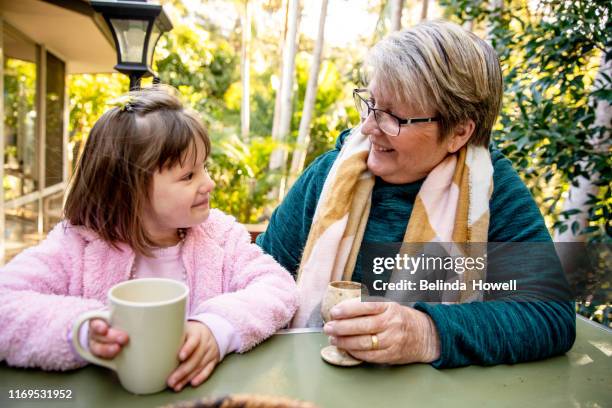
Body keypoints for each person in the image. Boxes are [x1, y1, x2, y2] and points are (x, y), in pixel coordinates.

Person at [257, 21, 575, 367]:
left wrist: (427, 332)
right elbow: (258, 278)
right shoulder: (328, 176)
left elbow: (550, 315)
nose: (367, 127)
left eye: (393, 117)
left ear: (459, 131)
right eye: (371, 103)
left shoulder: (491, 193)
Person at [0, 86, 298, 391]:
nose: (208, 183)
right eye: (188, 176)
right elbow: (5, 304)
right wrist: (81, 330)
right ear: (129, 189)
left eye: (204, 167)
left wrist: (217, 327)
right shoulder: (77, 245)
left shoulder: (220, 237)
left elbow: (278, 287)